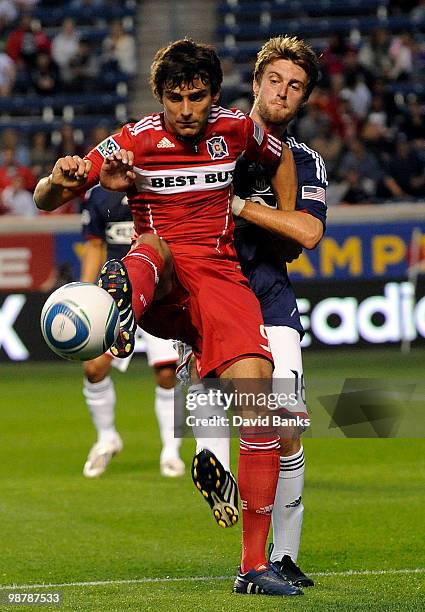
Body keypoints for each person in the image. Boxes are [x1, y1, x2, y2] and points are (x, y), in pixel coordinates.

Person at [34, 39, 302, 597]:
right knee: (151, 244)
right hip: (161, 277)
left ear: (213, 96)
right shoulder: (132, 141)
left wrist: (285, 218)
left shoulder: (235, 129)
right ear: (159, 97)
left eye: (197, 97)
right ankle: (120, 308)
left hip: (221, 282)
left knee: (262, 407)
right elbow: (43, 198)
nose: (186, 109)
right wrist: (61, 177)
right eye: (175, 98)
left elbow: (281, 159)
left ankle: (254, 569)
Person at [185, 35, 326, 589]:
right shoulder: (211, 138)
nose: (282, 92)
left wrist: (240, 206)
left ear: (304, 98)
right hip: (213, 295)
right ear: (256, 81)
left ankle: (282, 557)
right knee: (232, 413)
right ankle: (209, 451)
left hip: (269, 297)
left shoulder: (305, 162)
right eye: (275, 80)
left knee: (285, 425)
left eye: (295, 86)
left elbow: (307, 231)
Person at [80, 184, 185, 478]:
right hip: (114, 295)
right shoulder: (99, 194)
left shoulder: (161, 181)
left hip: (158, 290)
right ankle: (106, 439)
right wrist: (85, 295)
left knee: (167, 372)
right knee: (94, 369)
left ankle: (170, 451)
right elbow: (95, 246)